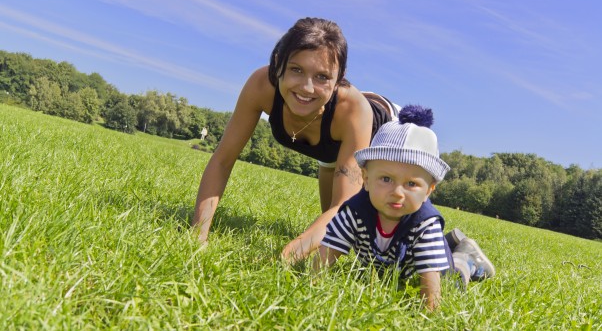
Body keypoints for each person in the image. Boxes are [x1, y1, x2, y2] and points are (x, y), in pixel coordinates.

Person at [191, 17, 398, 262]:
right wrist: (197, 237)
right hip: (333, 143)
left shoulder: (353, 112)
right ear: (278, 64)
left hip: (385, 136)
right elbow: (222, 160)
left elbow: (343, 206)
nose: (307, 88)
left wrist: (285, 258)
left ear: (339, 78)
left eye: (322, 77)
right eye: (296, 70)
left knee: (381, 244)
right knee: (335, 231)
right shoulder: (261, 85)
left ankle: (454, 253)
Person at [313, 105, 495, 311]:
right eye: (386, 179)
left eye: (411, 184)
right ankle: (450, 241)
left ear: (428, 191)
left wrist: (427, 316)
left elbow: (431, 292)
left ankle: (466, 258)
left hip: (429, 267)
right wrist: (314, 288)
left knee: (452, 279)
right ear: (365, 178)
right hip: (388, 267)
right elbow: (327, 252)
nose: (398, 192)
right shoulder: (354, 212)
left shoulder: (425, 224)